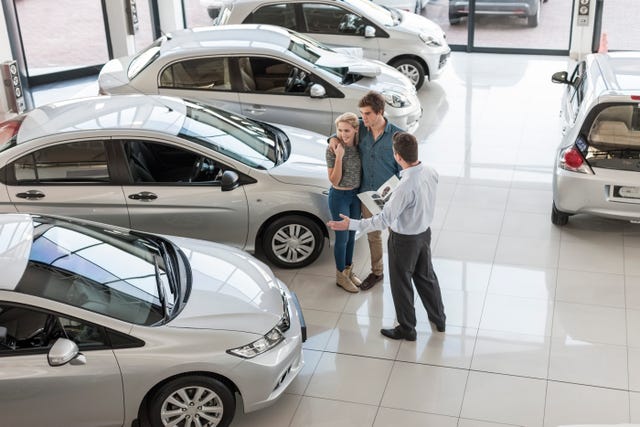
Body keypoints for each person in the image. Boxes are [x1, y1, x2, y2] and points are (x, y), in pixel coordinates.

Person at [327, 132, 446, 340]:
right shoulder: (430, 171)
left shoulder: (404, 187)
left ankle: (407, 328)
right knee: (426, 277)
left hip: (404, 241)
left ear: (398, 157)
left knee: (401, 284)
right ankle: (439, 318)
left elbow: (383, 221)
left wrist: (351, 224)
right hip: (424, 235)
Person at [329, 91, 402, 291]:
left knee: (396, 235)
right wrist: (332, 140)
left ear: (380, 112)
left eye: (368, 113)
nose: (364, 118)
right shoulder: (361, 128)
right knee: (373, 235)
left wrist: (395, 192)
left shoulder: (397, 136)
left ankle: (401, 272)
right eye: (362, 113)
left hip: (391, 196)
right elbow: (340, 133)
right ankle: (377, 272)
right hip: (366, 195)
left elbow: (404, 170)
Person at [326, 112, 362, 293]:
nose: (343, 134)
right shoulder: (333, 148)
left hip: (355, 197)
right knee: (342, 238)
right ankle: (341, 276)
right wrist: (339, 156)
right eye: (339, 131)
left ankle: (348, 271)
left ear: (356, 130)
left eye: (347, 130)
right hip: (339, 197)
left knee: (352, 236)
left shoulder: (360, 142)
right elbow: (334, 180)